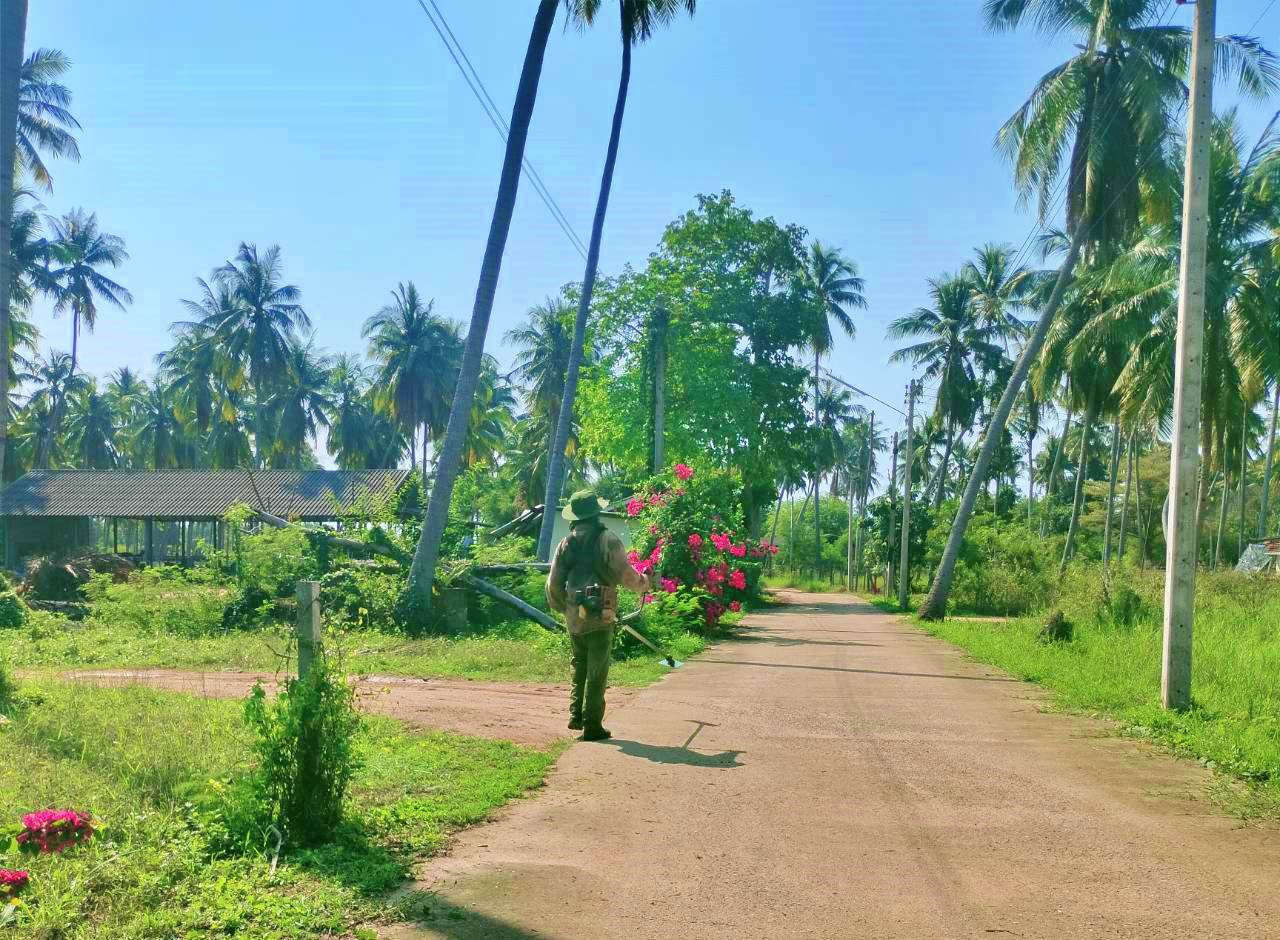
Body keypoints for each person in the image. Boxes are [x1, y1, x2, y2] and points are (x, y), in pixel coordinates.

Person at [546, 489, 651, 741]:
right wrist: (645, 582)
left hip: (575, 617)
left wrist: (568, 609)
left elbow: (552, 585)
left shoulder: (565, 543)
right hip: (601, 615)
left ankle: (576, 715)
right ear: (596, 513)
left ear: (576, 516)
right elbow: (627, 576)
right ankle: (592, 726)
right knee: (597, 671)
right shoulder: (608, 539)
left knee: (579, 664)